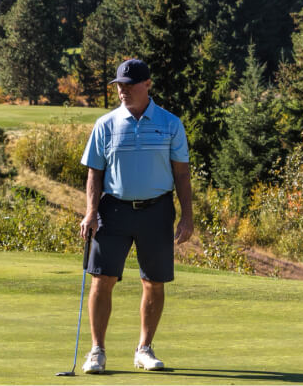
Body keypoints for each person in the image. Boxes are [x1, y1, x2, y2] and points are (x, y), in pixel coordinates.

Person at [75, 58, 195, 374]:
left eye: (129, 86)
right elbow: (94, 174)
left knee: (154, 283)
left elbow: (182, 175)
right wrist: (90, 213)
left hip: (157, 210)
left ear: (147, 85)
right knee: (102, 279)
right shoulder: (105, 124)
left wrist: (187, 217)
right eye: (119, 87)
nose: (122, 92)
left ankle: (144, 349)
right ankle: (96, 351)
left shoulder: (170, 124)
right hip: (112, 211)